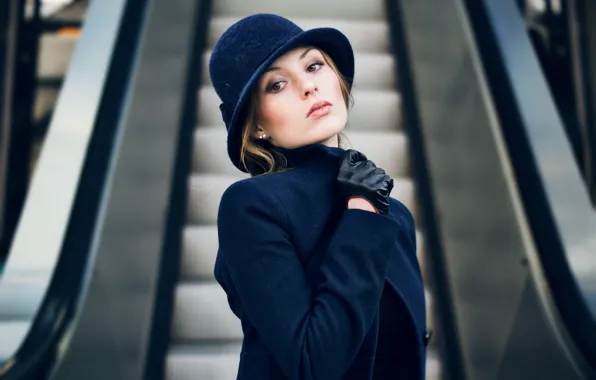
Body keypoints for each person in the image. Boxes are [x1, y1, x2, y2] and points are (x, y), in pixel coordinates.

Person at [210, 13, 429, 380]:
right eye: (276, 85)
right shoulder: (251, 206)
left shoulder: (394, 214)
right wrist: (360, 214)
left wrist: (368, 209)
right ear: (257, 125)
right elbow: (313, 363)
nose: (308, 87)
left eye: (314, 66)